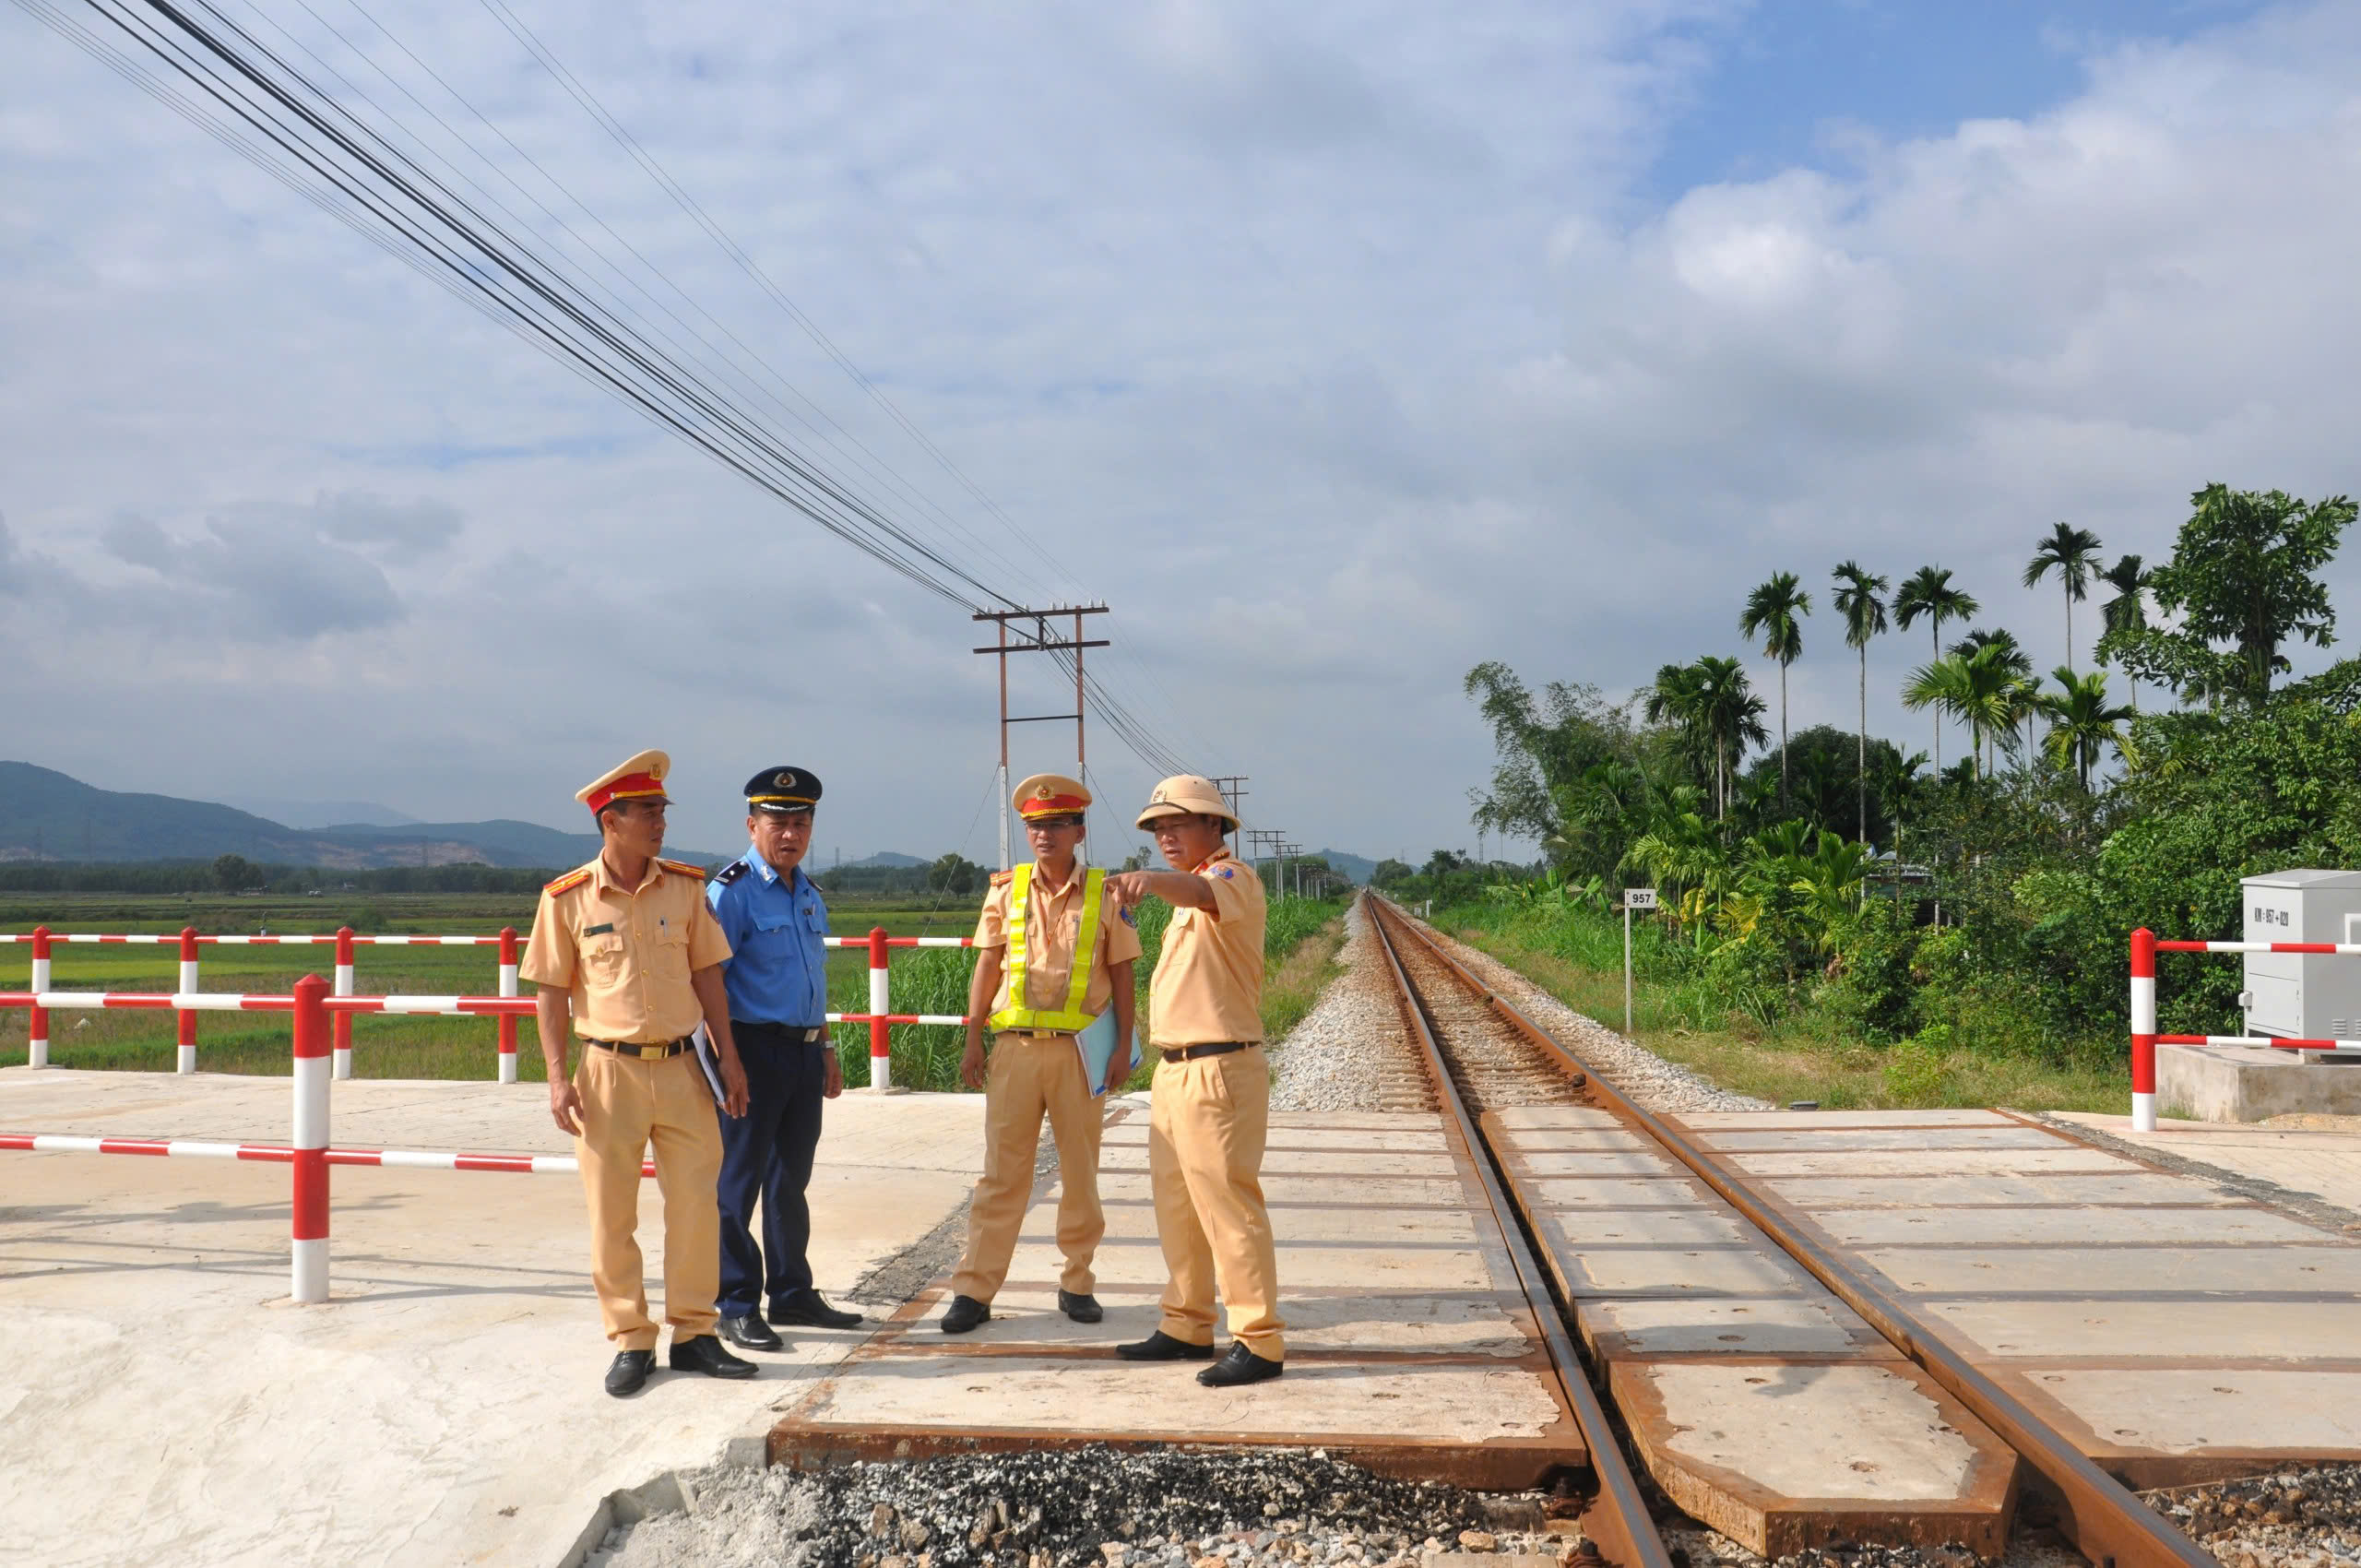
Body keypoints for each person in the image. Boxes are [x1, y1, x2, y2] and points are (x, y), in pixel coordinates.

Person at [521, 749, 758, 1398]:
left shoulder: (684, 888)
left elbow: (708, 977)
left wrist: (729, 1057)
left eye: (661, 810)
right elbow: (549, 991)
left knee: (697, 1208)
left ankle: (695, 1333)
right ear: (611, 821)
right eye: (647, 811)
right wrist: (556, 1078)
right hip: (607, 1073)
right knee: (611, 1215)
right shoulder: (567, 899)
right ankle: (631, 1338)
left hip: (684, 1069)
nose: (660, 822)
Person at [938, 774, 1140, 1335]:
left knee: (1080, 1173)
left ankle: (1078, 1283)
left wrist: (1123, 1046)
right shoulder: (1006, 889)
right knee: (1001, 1175)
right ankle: (974, 1290)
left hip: (1080, 1054)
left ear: (1079, 831)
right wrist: (972, 1037)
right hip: (1015, 1051)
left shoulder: (1105, 893)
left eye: (1055, 825)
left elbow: (1123, 974)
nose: (1043, 835)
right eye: (1034, 826)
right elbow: (987, 965)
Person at [1104, 774, 1284, 1387]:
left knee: (1228, 1205)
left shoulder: (1232, 878)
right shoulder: (1187, 895)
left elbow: (1200, 891)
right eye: (1158, 828)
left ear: (1215, 825)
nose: (1165, 836)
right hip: (1175, 1069)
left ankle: (1258, 1338)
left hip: (1219, 1068)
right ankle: (1186, 1322)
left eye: (1177, 824)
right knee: (1178, 1206)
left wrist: (1150, 880)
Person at [703, 765, 863, 1350]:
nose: (790, 834)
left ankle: (792, 1292)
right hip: (750, 1049)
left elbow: (811, 979)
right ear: (753, 826)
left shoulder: (808, 893)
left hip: (802, 1052)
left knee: (790, 1180)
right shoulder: (732, 892)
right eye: (778, 823)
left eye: (801, 824)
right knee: (738, 1181)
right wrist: (728, 1061)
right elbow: (709, 983)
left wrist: (826, 1047)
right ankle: (735, 1303)